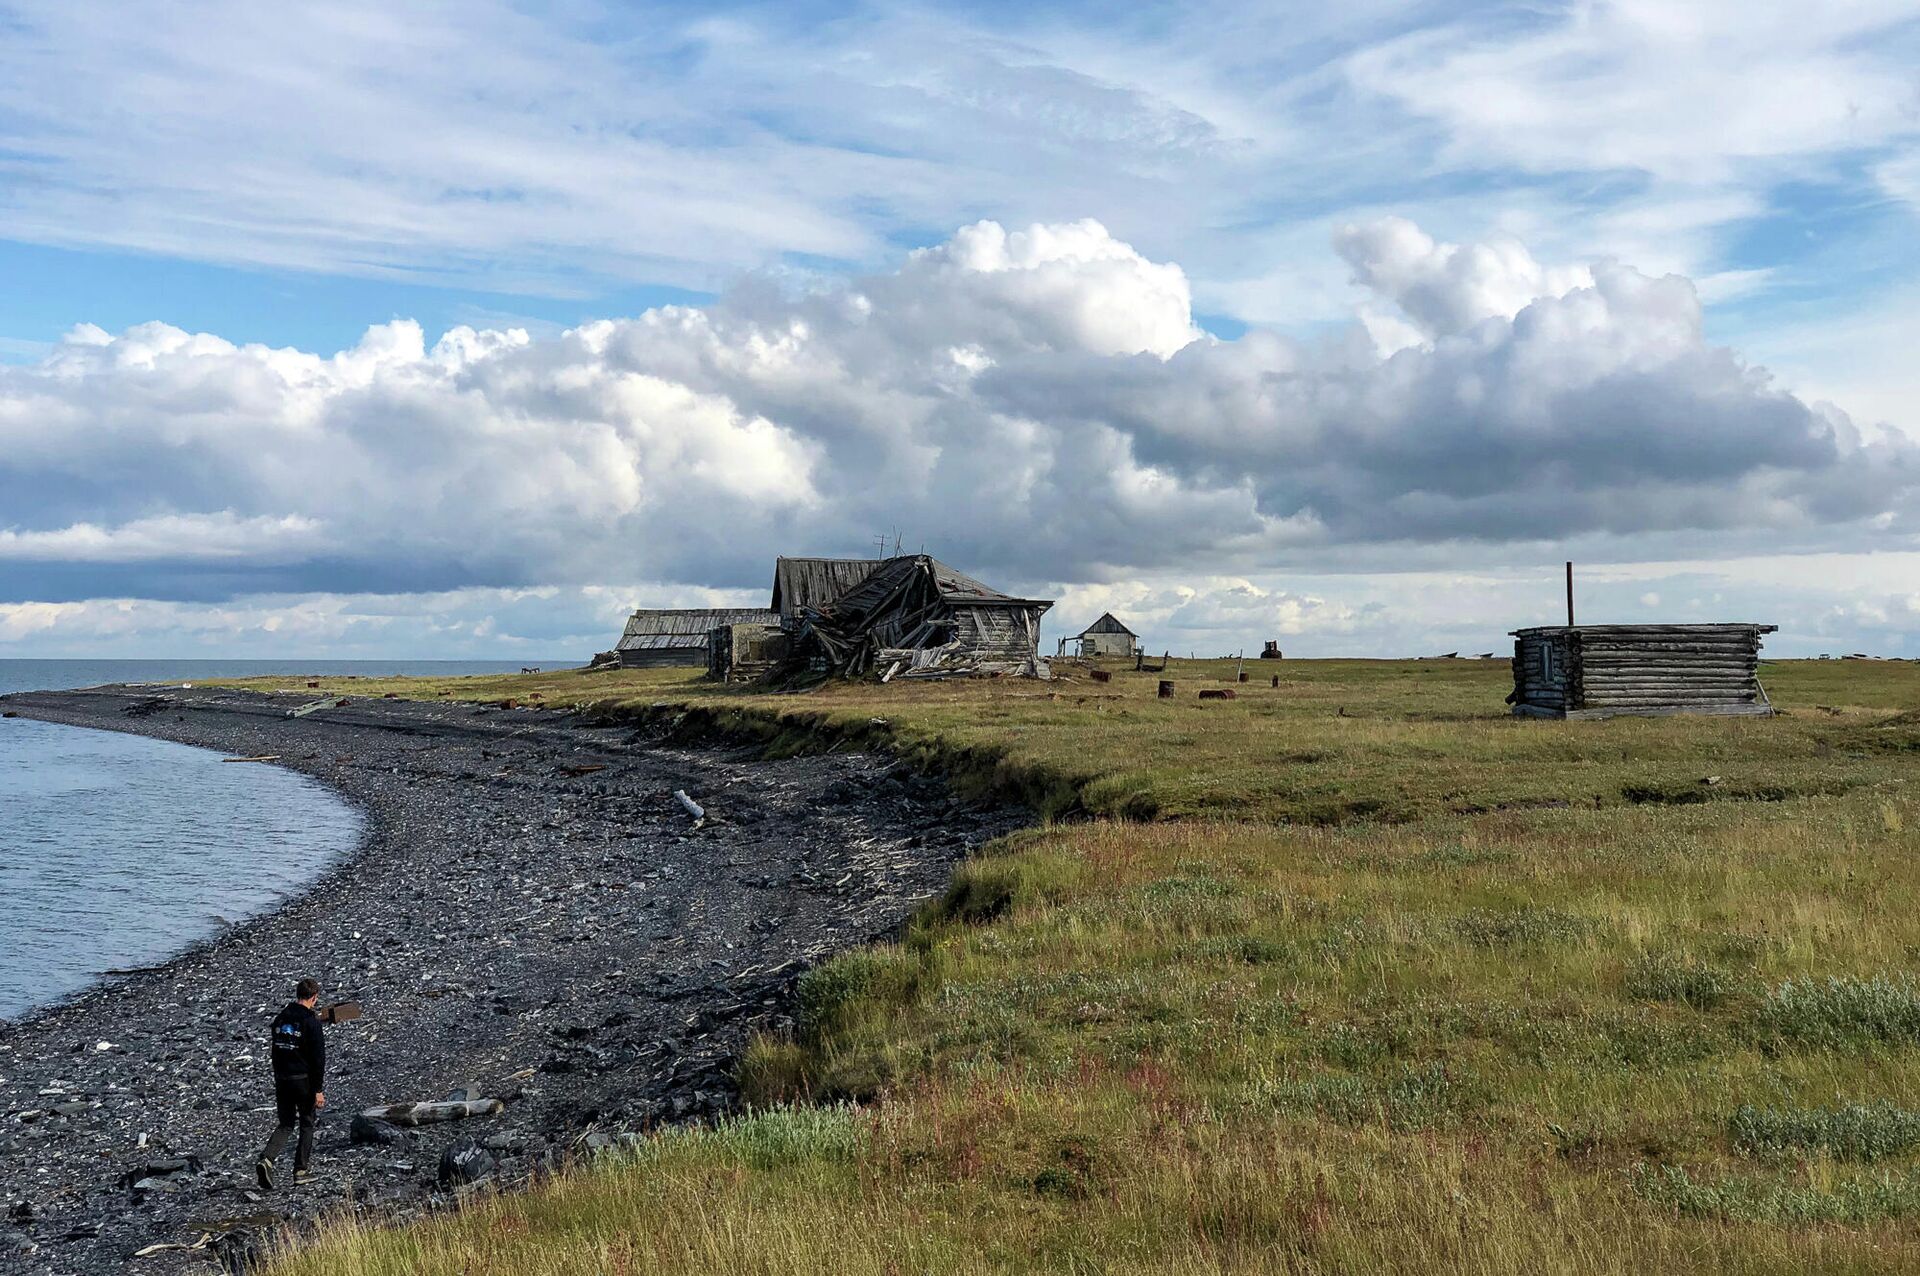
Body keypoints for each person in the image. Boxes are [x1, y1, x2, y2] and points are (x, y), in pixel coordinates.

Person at [256, 978, 326, 1189]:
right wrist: (318, 1090)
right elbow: (318, 1059)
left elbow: (275, 1052)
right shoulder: (311, 1022)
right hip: (302, 1080)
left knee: (286, 1123)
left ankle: (267, 1159)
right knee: (307, 1122)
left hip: (282, 1079)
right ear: (314, 998)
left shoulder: (280, 1019)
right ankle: (300, 1170)